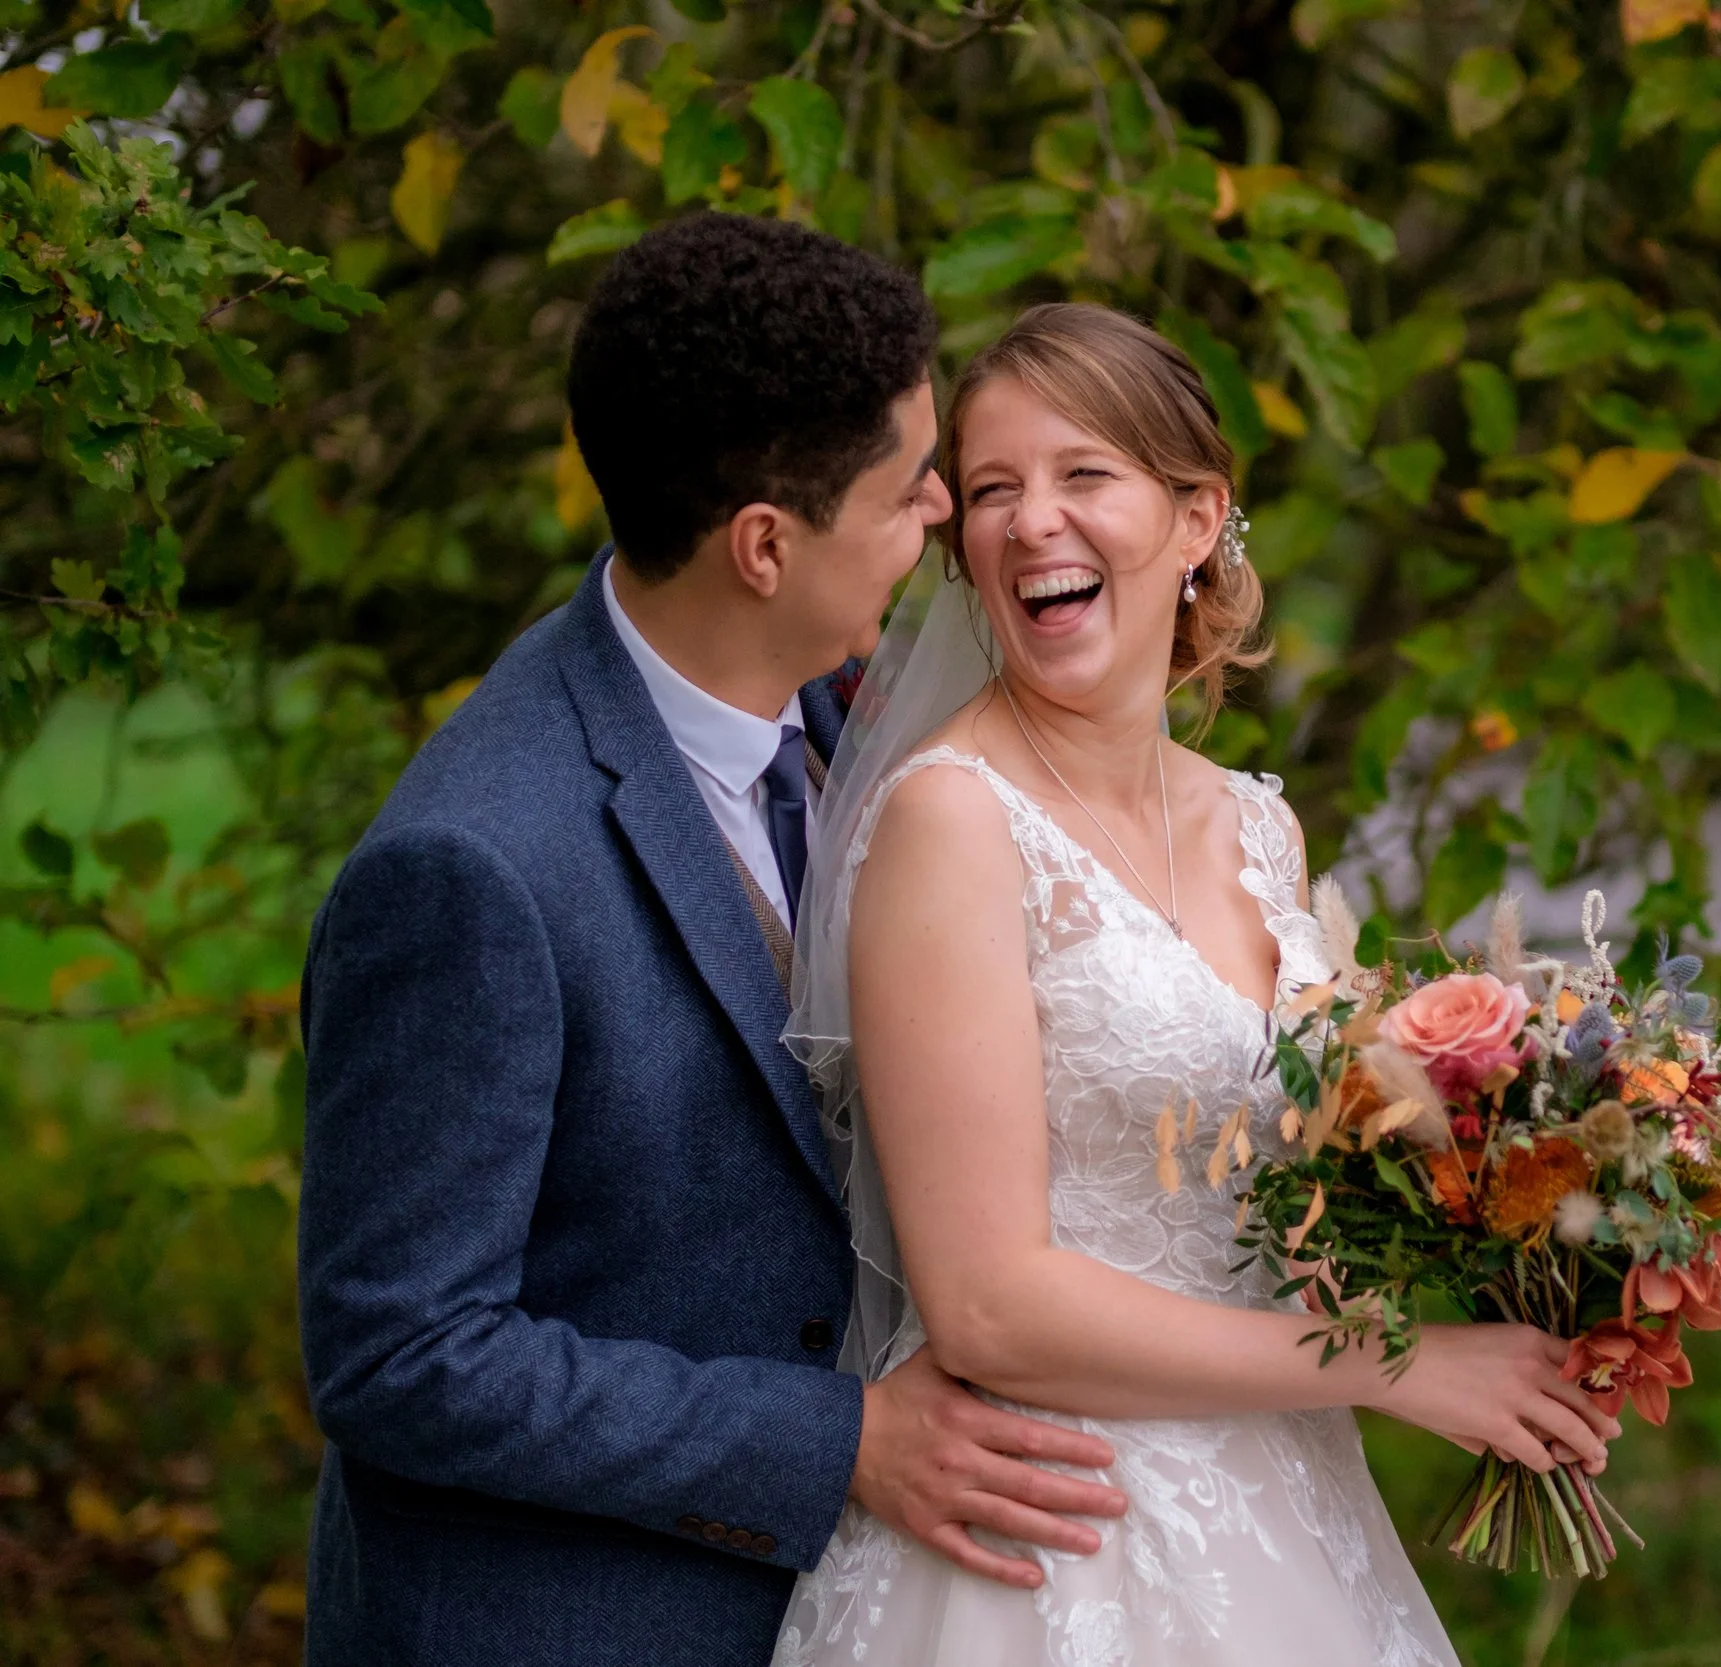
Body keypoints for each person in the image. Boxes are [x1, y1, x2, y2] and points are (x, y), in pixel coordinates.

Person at [293, 216, 1127, 1667]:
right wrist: (834, 1438)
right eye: (903, 485)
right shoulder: (473, 867)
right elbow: (399, 1353)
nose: (942, 508)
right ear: (763, 546)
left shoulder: (852, 724)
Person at [773, 303, 1619, 1665]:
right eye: (990, 491)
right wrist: (1409, 1370)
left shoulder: (1258, 826)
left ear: (1195, 517)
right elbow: (988, 1304)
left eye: (1082, 474)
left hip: (1286, 1508)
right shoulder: (955, 823)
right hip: (1054, 1535)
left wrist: (1550, 1237)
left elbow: (1308, 1198)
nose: (1030, 521)